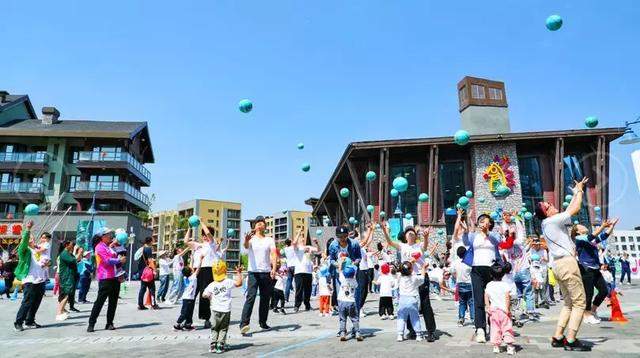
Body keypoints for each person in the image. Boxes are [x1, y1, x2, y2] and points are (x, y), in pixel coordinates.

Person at [536, 176, 591, 351]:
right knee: (580, 302)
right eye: (548, 206)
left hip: (559, 265)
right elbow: (574, 208)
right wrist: (580, 191)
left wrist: (575, 192)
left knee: (568, 303)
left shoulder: (548, 223)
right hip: (567, 264)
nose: (551, 205)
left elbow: (567, 210)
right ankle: (571, 339)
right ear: (546, 212)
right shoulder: (552, 220)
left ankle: (558, 336)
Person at [382, 222, 437, 342]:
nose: (410, 234)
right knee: (408, 305)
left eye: (412, 233)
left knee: (425, 304)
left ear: (415, 236)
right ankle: (412, 331)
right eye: (408, 233)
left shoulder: (419, 245)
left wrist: (426, 237)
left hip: (420, 277)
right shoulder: (402, 246)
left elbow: (426, 246)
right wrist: (385, 231)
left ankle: (431, 331)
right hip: (407, 279)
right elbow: (390, 242)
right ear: (405, 236)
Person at [458, 209, 504, 343]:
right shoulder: (474, 236)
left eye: (485, 221)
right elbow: (466, 241)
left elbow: (498, 241)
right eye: (481, 221)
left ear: (490, 224)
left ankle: (494, 327)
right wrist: (466, 230)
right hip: (477, 270)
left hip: (492, 270)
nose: (483, 223)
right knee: (478, 299)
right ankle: (480, 329)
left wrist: (487, 232)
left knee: (492, 300)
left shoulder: (493, 235)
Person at [573, 219, 617, 324]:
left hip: (595, 269)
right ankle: (586, 315)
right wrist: (602, 226)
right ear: (578, 231)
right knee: (589, 293)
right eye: (581, 226)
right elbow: (590, 237)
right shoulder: (578, 238)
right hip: (586, 269)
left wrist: (612, 226)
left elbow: (604, 236)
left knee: (604, 291)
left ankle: (592, 311)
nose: (583, 226)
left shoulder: (591, 240)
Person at [239, 216, 277, 334]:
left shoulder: (269, 240)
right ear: (254, 226)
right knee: (251, 297)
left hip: (266, 273)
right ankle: (244, 324)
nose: (260, 224)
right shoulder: (251, 239)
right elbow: (245, 246)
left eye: (262, 223)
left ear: (265, 226)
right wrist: (245, 240)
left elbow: (274, 254)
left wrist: (274, 268)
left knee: (265, 299)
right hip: (253, 273)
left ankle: (263, 323)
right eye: (258, 223)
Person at [88, 228, 126, 332]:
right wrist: (118, 260)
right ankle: (91, 323)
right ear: (103, 236)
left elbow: (117, 255)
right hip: (105, 278)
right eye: (109, 234)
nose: (111, 236)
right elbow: (106, 261)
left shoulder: (109, 247)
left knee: (113, 302)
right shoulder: (99, 247)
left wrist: (120, 260)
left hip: (115, 277)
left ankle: (109, 323)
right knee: (99, 301)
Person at [13, 221, 48, 331]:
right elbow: (23, 242)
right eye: (29, 239)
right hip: (30, 280)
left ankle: (30, 321)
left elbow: (45, 261)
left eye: (32, 238)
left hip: (40, 279)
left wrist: (48, 264)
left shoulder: (37, 250)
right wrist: (28, 230)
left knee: (36, 302)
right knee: (27, 302)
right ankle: (18, 322)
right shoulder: (24, 250)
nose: (32, 240)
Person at [202, 261, 243, 354]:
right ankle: (220, 345)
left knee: (214, 328)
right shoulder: (228, 282)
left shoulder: (212, 284)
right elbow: (239, 283)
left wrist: (210, 296)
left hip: (214, 310)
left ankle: (213, 345)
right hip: (226, 310)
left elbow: (204, 294)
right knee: (223, 328)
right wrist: (239, 272)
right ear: (224, 270)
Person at [328, 226, 362, 313]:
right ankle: (343, 314)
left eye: (344, 236)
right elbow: (331, 259)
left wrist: (354, 263)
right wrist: (337, 264)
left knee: (354, 293)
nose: (342, 238)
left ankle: (355, 313)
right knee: (341, 293)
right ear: (337, 236)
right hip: (339, 273)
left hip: (352, 273)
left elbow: (359, 257)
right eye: (340, 236)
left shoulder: (354, 243)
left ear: (347, 235)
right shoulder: (333, 245)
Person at [485, 263, 516, 355]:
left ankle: (496, 346)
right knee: (506, 328)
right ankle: (509, 346)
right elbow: (507, 297)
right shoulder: (505, 285)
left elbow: (486, 296)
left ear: (491, 275)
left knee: (495, 328)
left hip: (493, 310)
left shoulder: (489, 285)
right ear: (503, 275)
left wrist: (487, 307)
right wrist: (508, 309)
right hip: (503, 311)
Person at [396, 260, 425, 342]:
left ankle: (400, 335)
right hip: (412, 299)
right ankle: (418, 335)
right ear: (411, 270)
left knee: (401, 317)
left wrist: (407, 263)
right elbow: (422, 278)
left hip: (402, 299)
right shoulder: (414, 278)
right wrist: (423, 268)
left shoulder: (399, 277)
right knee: (415, 318)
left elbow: (399, 270)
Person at [292, 228, 318, 312]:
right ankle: (297, 305)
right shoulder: (297, 248)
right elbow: (294, 243)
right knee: (299, 289)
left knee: (308, 290)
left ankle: (307, 305)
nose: (302, 239)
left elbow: (318, 250)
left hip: (308, 271)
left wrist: (317, 243)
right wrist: (298, 233)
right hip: (299, 271)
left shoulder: (308, 247)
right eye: (301, 238)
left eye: (303, 237)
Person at [174, 256, 202, 331]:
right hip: (188, 298)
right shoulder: (193, 278)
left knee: (189, 311)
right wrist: (201, 260)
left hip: (188, 298)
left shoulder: (186, 277)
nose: (192, 270)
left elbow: (190, 268)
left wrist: (192, 258)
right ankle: (177, 324)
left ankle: (188, 325)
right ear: (190, 272)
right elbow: (198, 269)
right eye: (191, 270)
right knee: (185, 312)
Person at [337, 259, 362, 341]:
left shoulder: (342, 279)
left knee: (342, 318)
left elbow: (340, 270)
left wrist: (340, 263)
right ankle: (357, 333)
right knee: (354, 318)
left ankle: (342, 333)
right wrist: (354, 264)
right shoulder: (354, 281)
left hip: (341, 301)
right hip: (351, 301)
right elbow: (354, 273)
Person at [56, 240, 81, 321]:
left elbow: (77, 260)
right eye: (71, 244)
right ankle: (59, 312)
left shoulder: (69, 253)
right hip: (66, 277)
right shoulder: (64, 254)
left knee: (67, 294)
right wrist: (79, 252)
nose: (73, 245)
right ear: (67, 245)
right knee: (65, 295)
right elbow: (73, 260)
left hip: (70, 276)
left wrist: (78, 254)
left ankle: (62, 310)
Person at [451, 246, 474, 327]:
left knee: (462, 302)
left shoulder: (455, 262)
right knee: (471, 302)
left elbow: (453, 272)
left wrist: (457, 277)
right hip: (469, 283)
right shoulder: (469, 262)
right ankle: (473, 319)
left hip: (460, 283)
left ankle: (461, 319)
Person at [137, 236, 158, 310]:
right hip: (148, 271)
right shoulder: (148, 248)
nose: (154, 241)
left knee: (142, 288)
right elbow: (150, 260)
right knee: (152, 288)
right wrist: (154, 270)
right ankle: (153, 304)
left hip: (142, 271)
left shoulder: (142, 248)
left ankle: (140, 304)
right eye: (153, 240)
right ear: (150, 241)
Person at [282, 238, 297, 303]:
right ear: (290, 242)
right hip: (295, 265)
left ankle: (286, 298)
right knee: (297, 282)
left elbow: (282, 254)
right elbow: (295, 242)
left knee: (288, 282)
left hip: (289, 266)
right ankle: (299, 297)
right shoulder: (292, 247)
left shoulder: (285, 249)